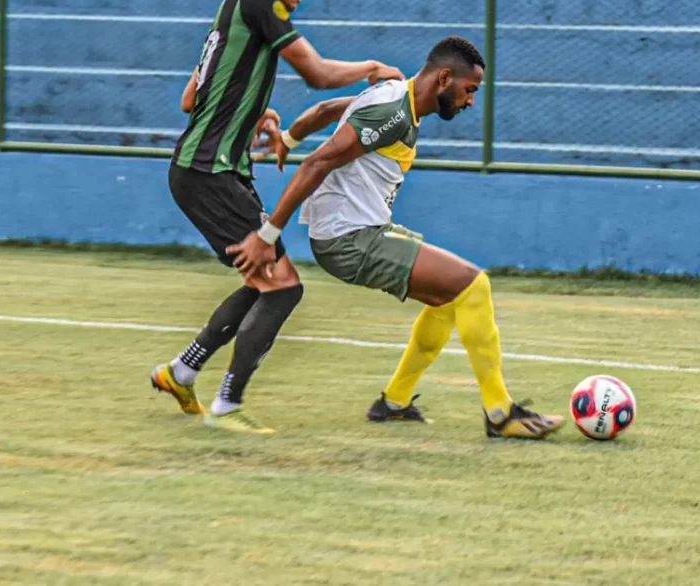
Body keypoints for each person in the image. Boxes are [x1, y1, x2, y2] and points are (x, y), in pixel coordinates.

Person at [229, 36, 565, 439]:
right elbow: (320, 162)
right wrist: (268, 235)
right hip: (349, 239)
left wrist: (288, 139)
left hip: (362, 230)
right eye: (469, 90)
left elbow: (329, 109)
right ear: (445, 78)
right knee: (475, 287)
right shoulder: (393, 112)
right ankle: (501, 413)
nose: (471, 101)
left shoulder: (395, 98)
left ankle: (394, 402)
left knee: (449, 299)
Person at [151, 0, 404, 433]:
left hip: (207, 170)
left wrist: (253, 111)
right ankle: (227, 406)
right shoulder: (264, 8)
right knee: (283, 289)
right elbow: (316, 74)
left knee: (265, 278)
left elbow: (190, 98)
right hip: (210, 172)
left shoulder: (232, 10)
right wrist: (374, 68)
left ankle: (182, 371)